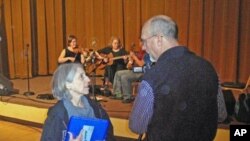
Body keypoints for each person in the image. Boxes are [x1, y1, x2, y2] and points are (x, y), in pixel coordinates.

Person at [129, 15, 219, 141]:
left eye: (144, 41)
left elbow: (137, 126)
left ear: (159, 39)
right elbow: (221, 114)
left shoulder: (153, 75)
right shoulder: (208, 67)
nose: (143, 47)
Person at [40, 63, 115, 141]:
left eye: (85, 75)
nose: (88, 79)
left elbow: (110, 135)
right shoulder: (57, 115)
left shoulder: (97, 108)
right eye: (81, 77)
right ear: (68, 84)